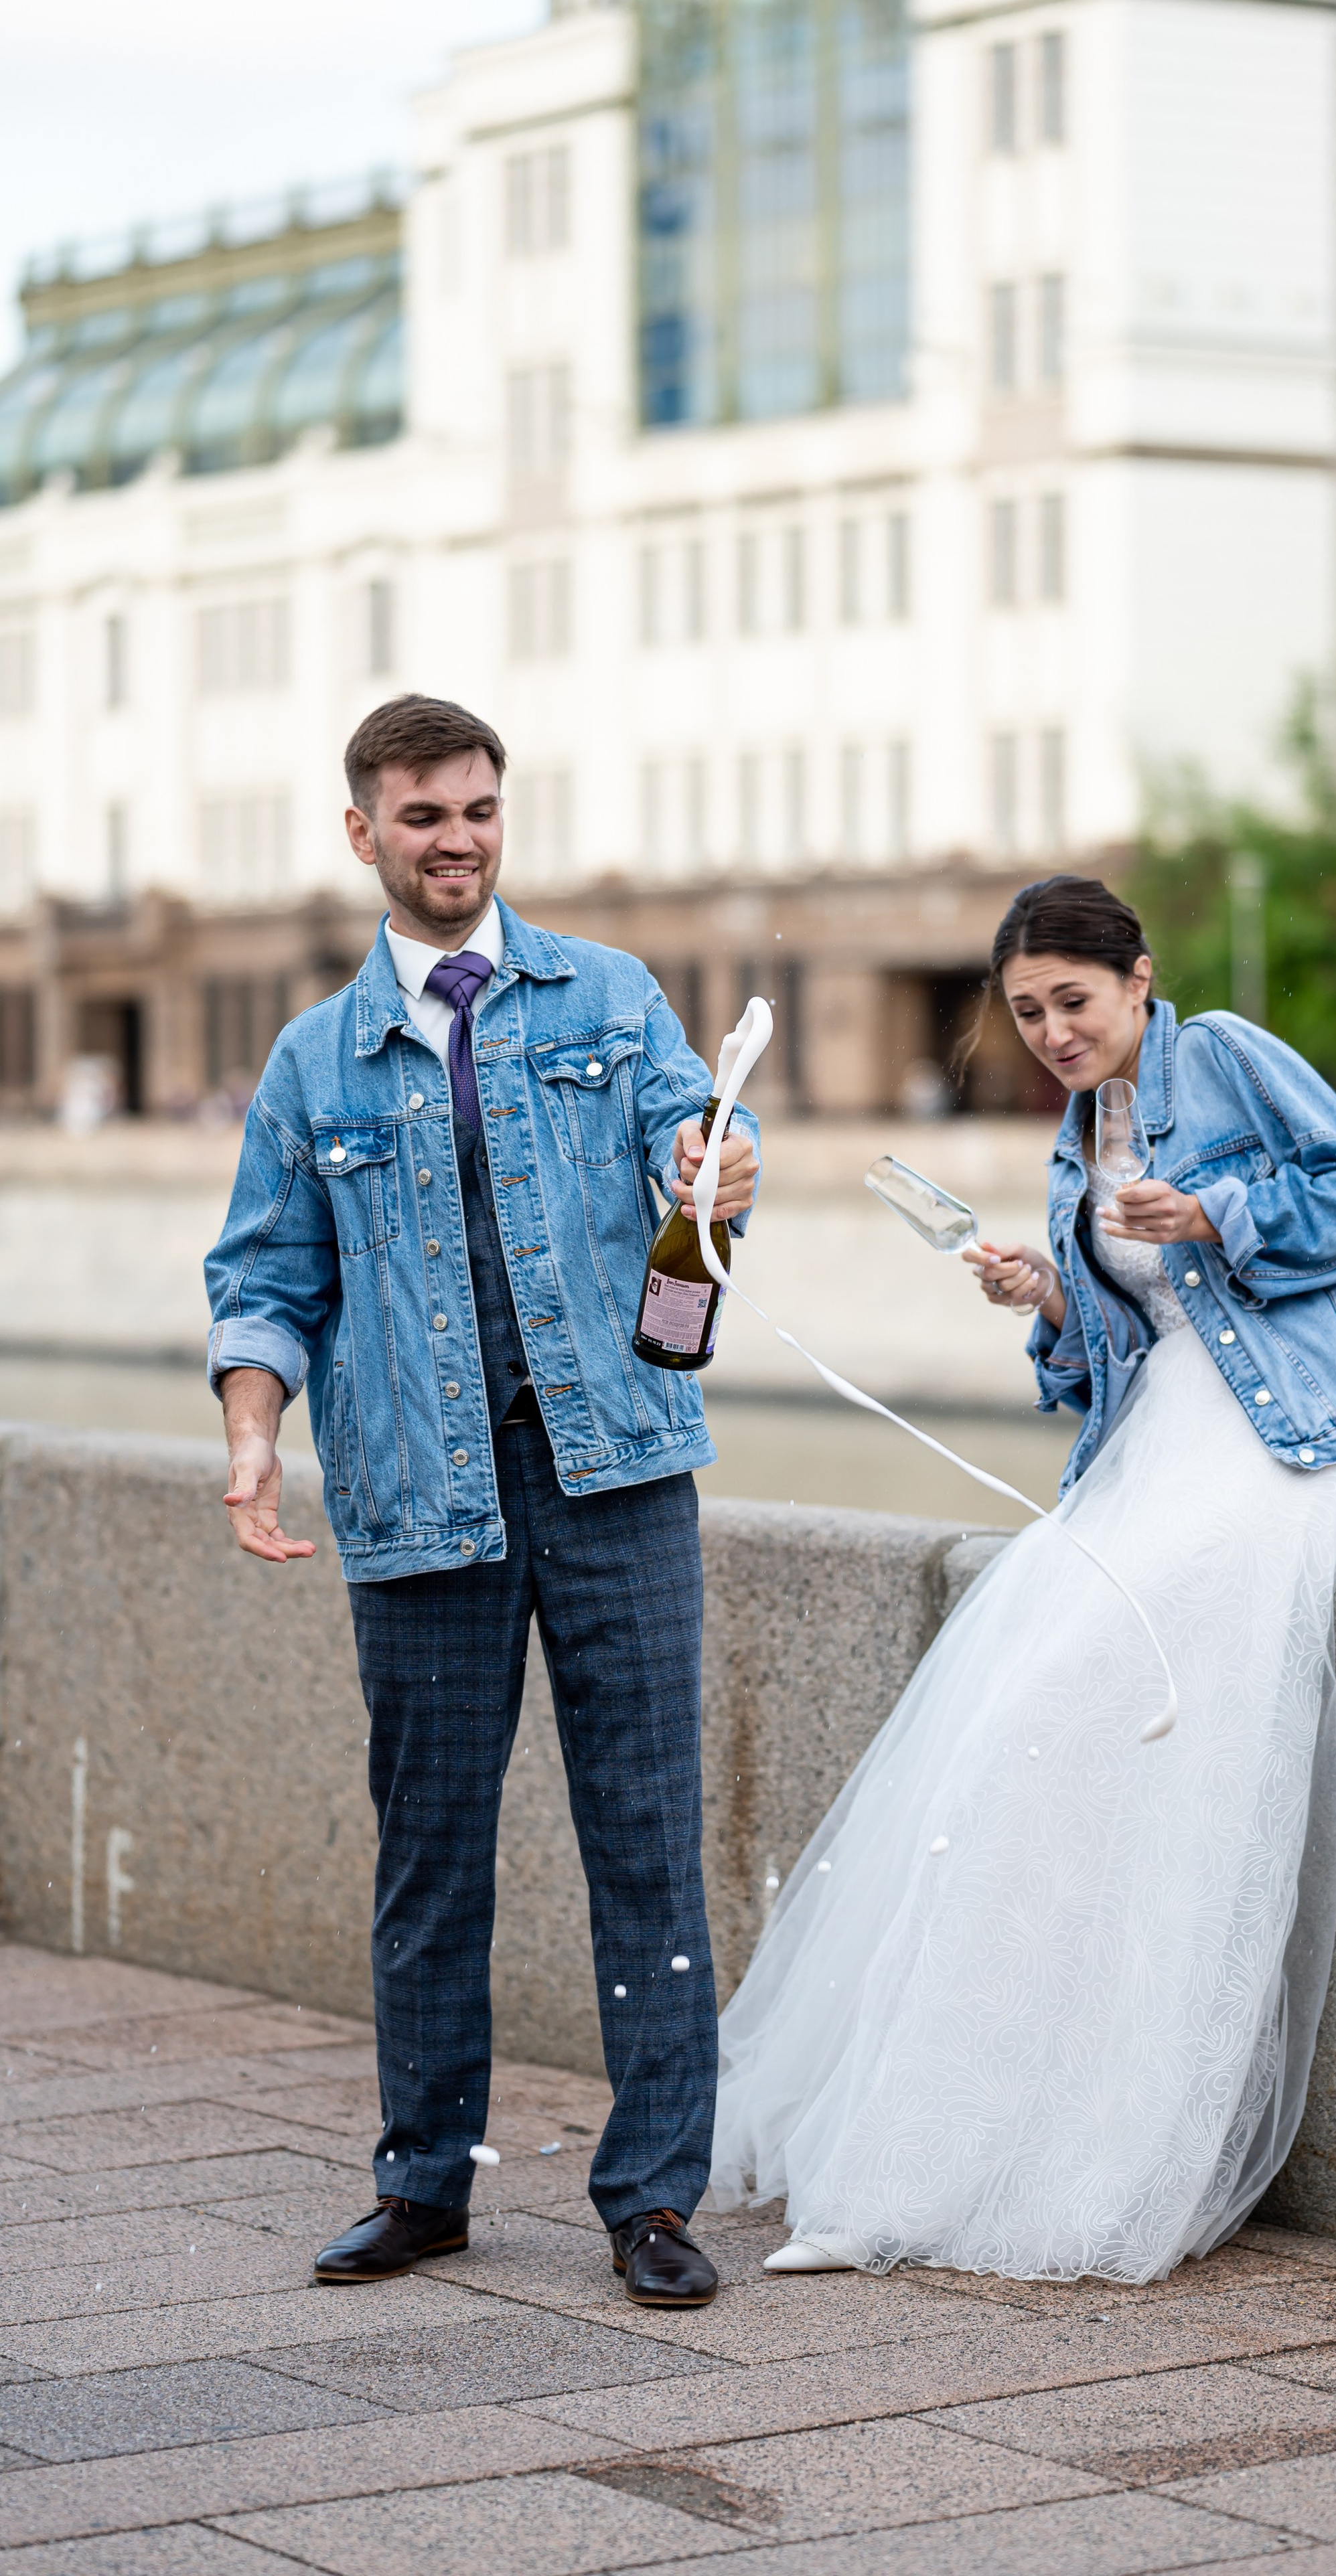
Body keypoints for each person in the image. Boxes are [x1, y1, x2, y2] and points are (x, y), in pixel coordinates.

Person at [710, 874, 1336, 2281]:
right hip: (1160, 1447)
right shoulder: (1068, 1137)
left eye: (1071, 1000)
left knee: (1080, 1692)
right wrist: (1050, 1295)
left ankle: (1082, 2152)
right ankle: (922, 2155)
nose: (1049, 1029)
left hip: (1286, 1442)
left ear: (1139, 977)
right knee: (1006, 1732)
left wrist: (1212, 1212)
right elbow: (1125, 1345)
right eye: (1026, 1010)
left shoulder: (1218, 1051)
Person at [206, 694, 758, 2306]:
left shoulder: (612, 990)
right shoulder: (314, 1058)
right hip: (413, 1493)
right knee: (430, 1851)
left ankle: (652, 2197)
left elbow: (693, 1142)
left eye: (480, 811)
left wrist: (719, 1171)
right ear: (364, 832)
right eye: (424, 816)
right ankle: (425, 2180)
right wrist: (254, 1434)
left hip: (617, 1470)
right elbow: (263, 1277)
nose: (458, 841)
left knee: (644, 1839)